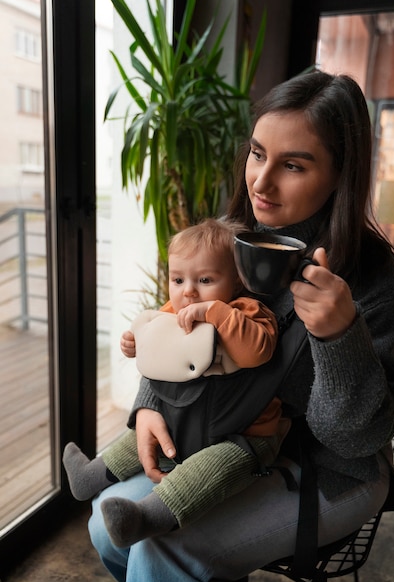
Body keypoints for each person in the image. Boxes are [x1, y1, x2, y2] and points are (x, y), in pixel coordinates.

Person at [88, 70, 394, 582]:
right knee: (106, 523)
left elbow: (354, 439)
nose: (261, 182)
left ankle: (190, 580)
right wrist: (147, 406)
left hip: (328, 469)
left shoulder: (372, 278)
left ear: (339, 175)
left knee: (164, 550)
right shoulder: (231, 237)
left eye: (292, 165)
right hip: (221, 437)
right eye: (258, 154)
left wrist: (337, 336)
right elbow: (177, 325)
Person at [64, 218, 291, 548]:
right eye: (178, 279)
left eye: (205, 279)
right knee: (135, 441)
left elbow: (257, 350)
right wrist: (135, 344)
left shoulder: (247, 311)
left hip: (243, 435)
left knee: (205, 473)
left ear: (238, 280)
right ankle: (90, 477)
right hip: (184, 421)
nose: (189, 291)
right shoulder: (171, 312)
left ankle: (145, 517)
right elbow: (157, 359)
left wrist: (215, 312)